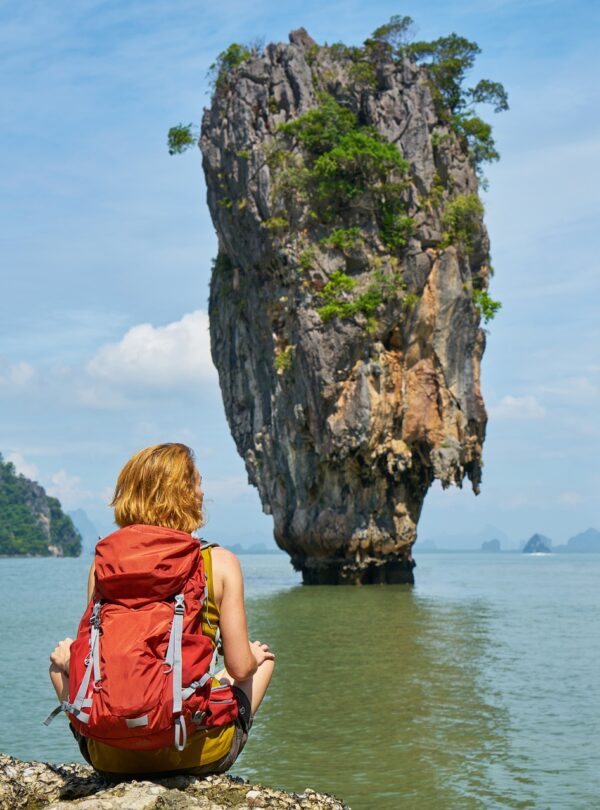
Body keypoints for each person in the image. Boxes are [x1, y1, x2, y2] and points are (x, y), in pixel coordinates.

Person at [48, 442, 275, 778]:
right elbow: (240, 670)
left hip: (109, 758)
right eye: (197, 483)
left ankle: (112, 745)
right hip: (195, 752)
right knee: (262, 661)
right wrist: (253, 656)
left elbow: (93, 658)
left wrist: (68, 660)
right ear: (184, 494)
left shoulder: (103, 565)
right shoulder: (218, 562)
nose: (202, 491)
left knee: (58, 663)